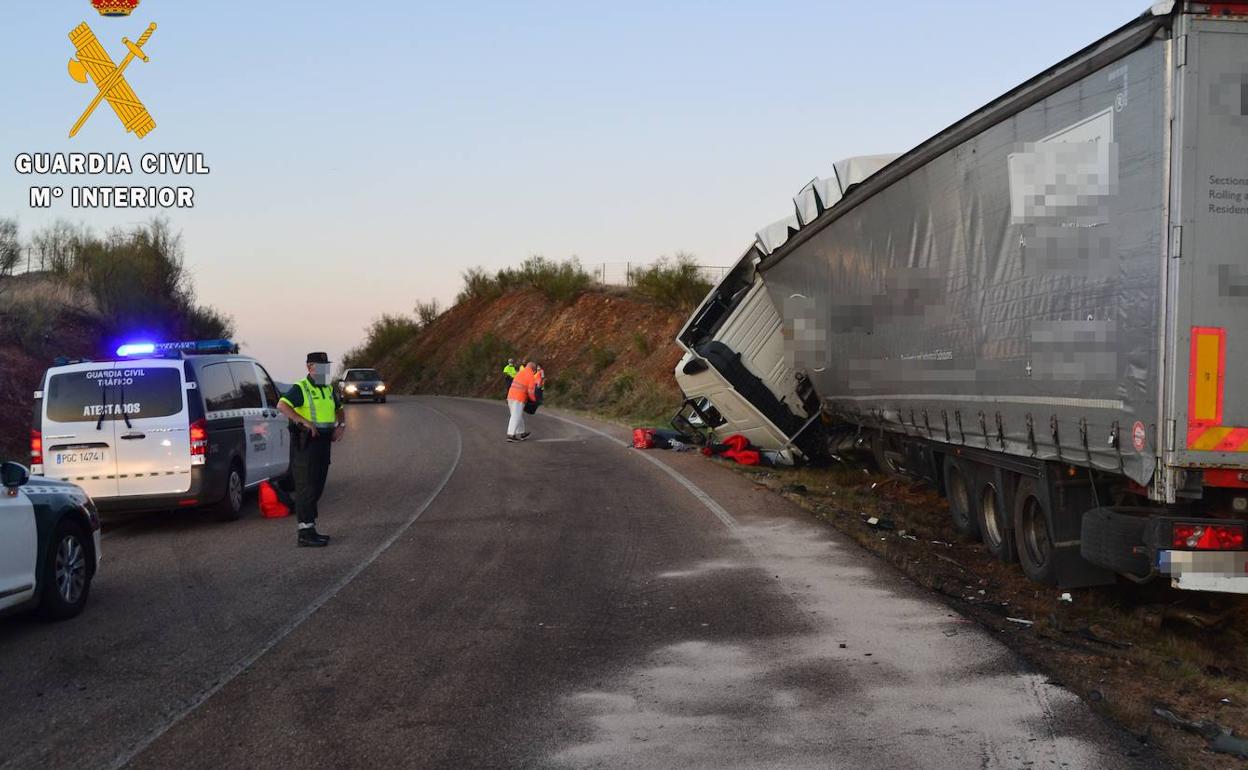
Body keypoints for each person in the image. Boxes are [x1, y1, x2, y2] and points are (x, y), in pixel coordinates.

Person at [277, 352, 346, 547]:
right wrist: (303, 421)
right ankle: (305, 533)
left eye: (327, 366)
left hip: (323, 443)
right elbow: (282, 405)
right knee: (306, 487)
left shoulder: (329, 388)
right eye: (320, 366)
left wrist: (341, 426)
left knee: (317, 485)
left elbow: (339, 408)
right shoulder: (301, 388)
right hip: (306, 443)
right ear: (310, 367)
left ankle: (311, 528)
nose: (325, 370)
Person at [506, 360, 539, 442]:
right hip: (519, 397)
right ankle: (511, 435)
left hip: (510, 396)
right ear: (533, 369)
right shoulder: (530, 375)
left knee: (517, 415)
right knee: (515, 416)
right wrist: (534, 400)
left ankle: (521, 433)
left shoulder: (520, 372)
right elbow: (531, 391)